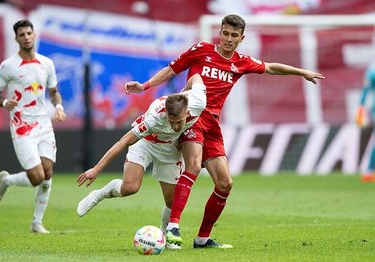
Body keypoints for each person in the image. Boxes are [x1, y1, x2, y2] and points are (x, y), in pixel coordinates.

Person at [125, 14, 325, 249]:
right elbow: (171, 69)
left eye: (234, 35)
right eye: (225, 33)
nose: (228, 39)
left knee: (225, 183)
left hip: (212, 127)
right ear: (220, 33)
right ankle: (172, 227)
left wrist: (302, 72)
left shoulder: (241, 62)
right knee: (193, 165)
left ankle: (202, 239)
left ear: (242, 38)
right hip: (192, 120)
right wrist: (145, 86)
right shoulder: (201, 50)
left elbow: (270, 68)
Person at [76, 74, 206, 249]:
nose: (176, 126)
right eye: (172, 121)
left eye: (180, 122)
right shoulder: (153, 118)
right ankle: (99, 194)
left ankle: (164, 236)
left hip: (169, 149)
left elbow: (196, 76)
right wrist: (96, 169)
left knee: (172, 201)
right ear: (166, 113)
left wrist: (183, 91)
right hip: (146, 144)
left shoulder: (198, 100)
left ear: (187, 111)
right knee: (130, 188)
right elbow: (122, 142)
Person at [0, 19, 66, 233]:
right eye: (22, 34)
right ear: (16, 39)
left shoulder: (46, 63)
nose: (26, 37)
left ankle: (36, 223)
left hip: (43, 123)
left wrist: (58, 106)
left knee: (48, 173)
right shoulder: (8, 66)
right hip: (22, 126)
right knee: (36, 177)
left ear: (34, 35)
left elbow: (53, 91)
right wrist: (5, 103)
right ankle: (8, 181)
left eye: (29, 33)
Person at [355, 63, 375, 182]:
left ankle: (369, 170)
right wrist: (360, 109)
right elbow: (365, 90)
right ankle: (369, 170)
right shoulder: (373, 70)